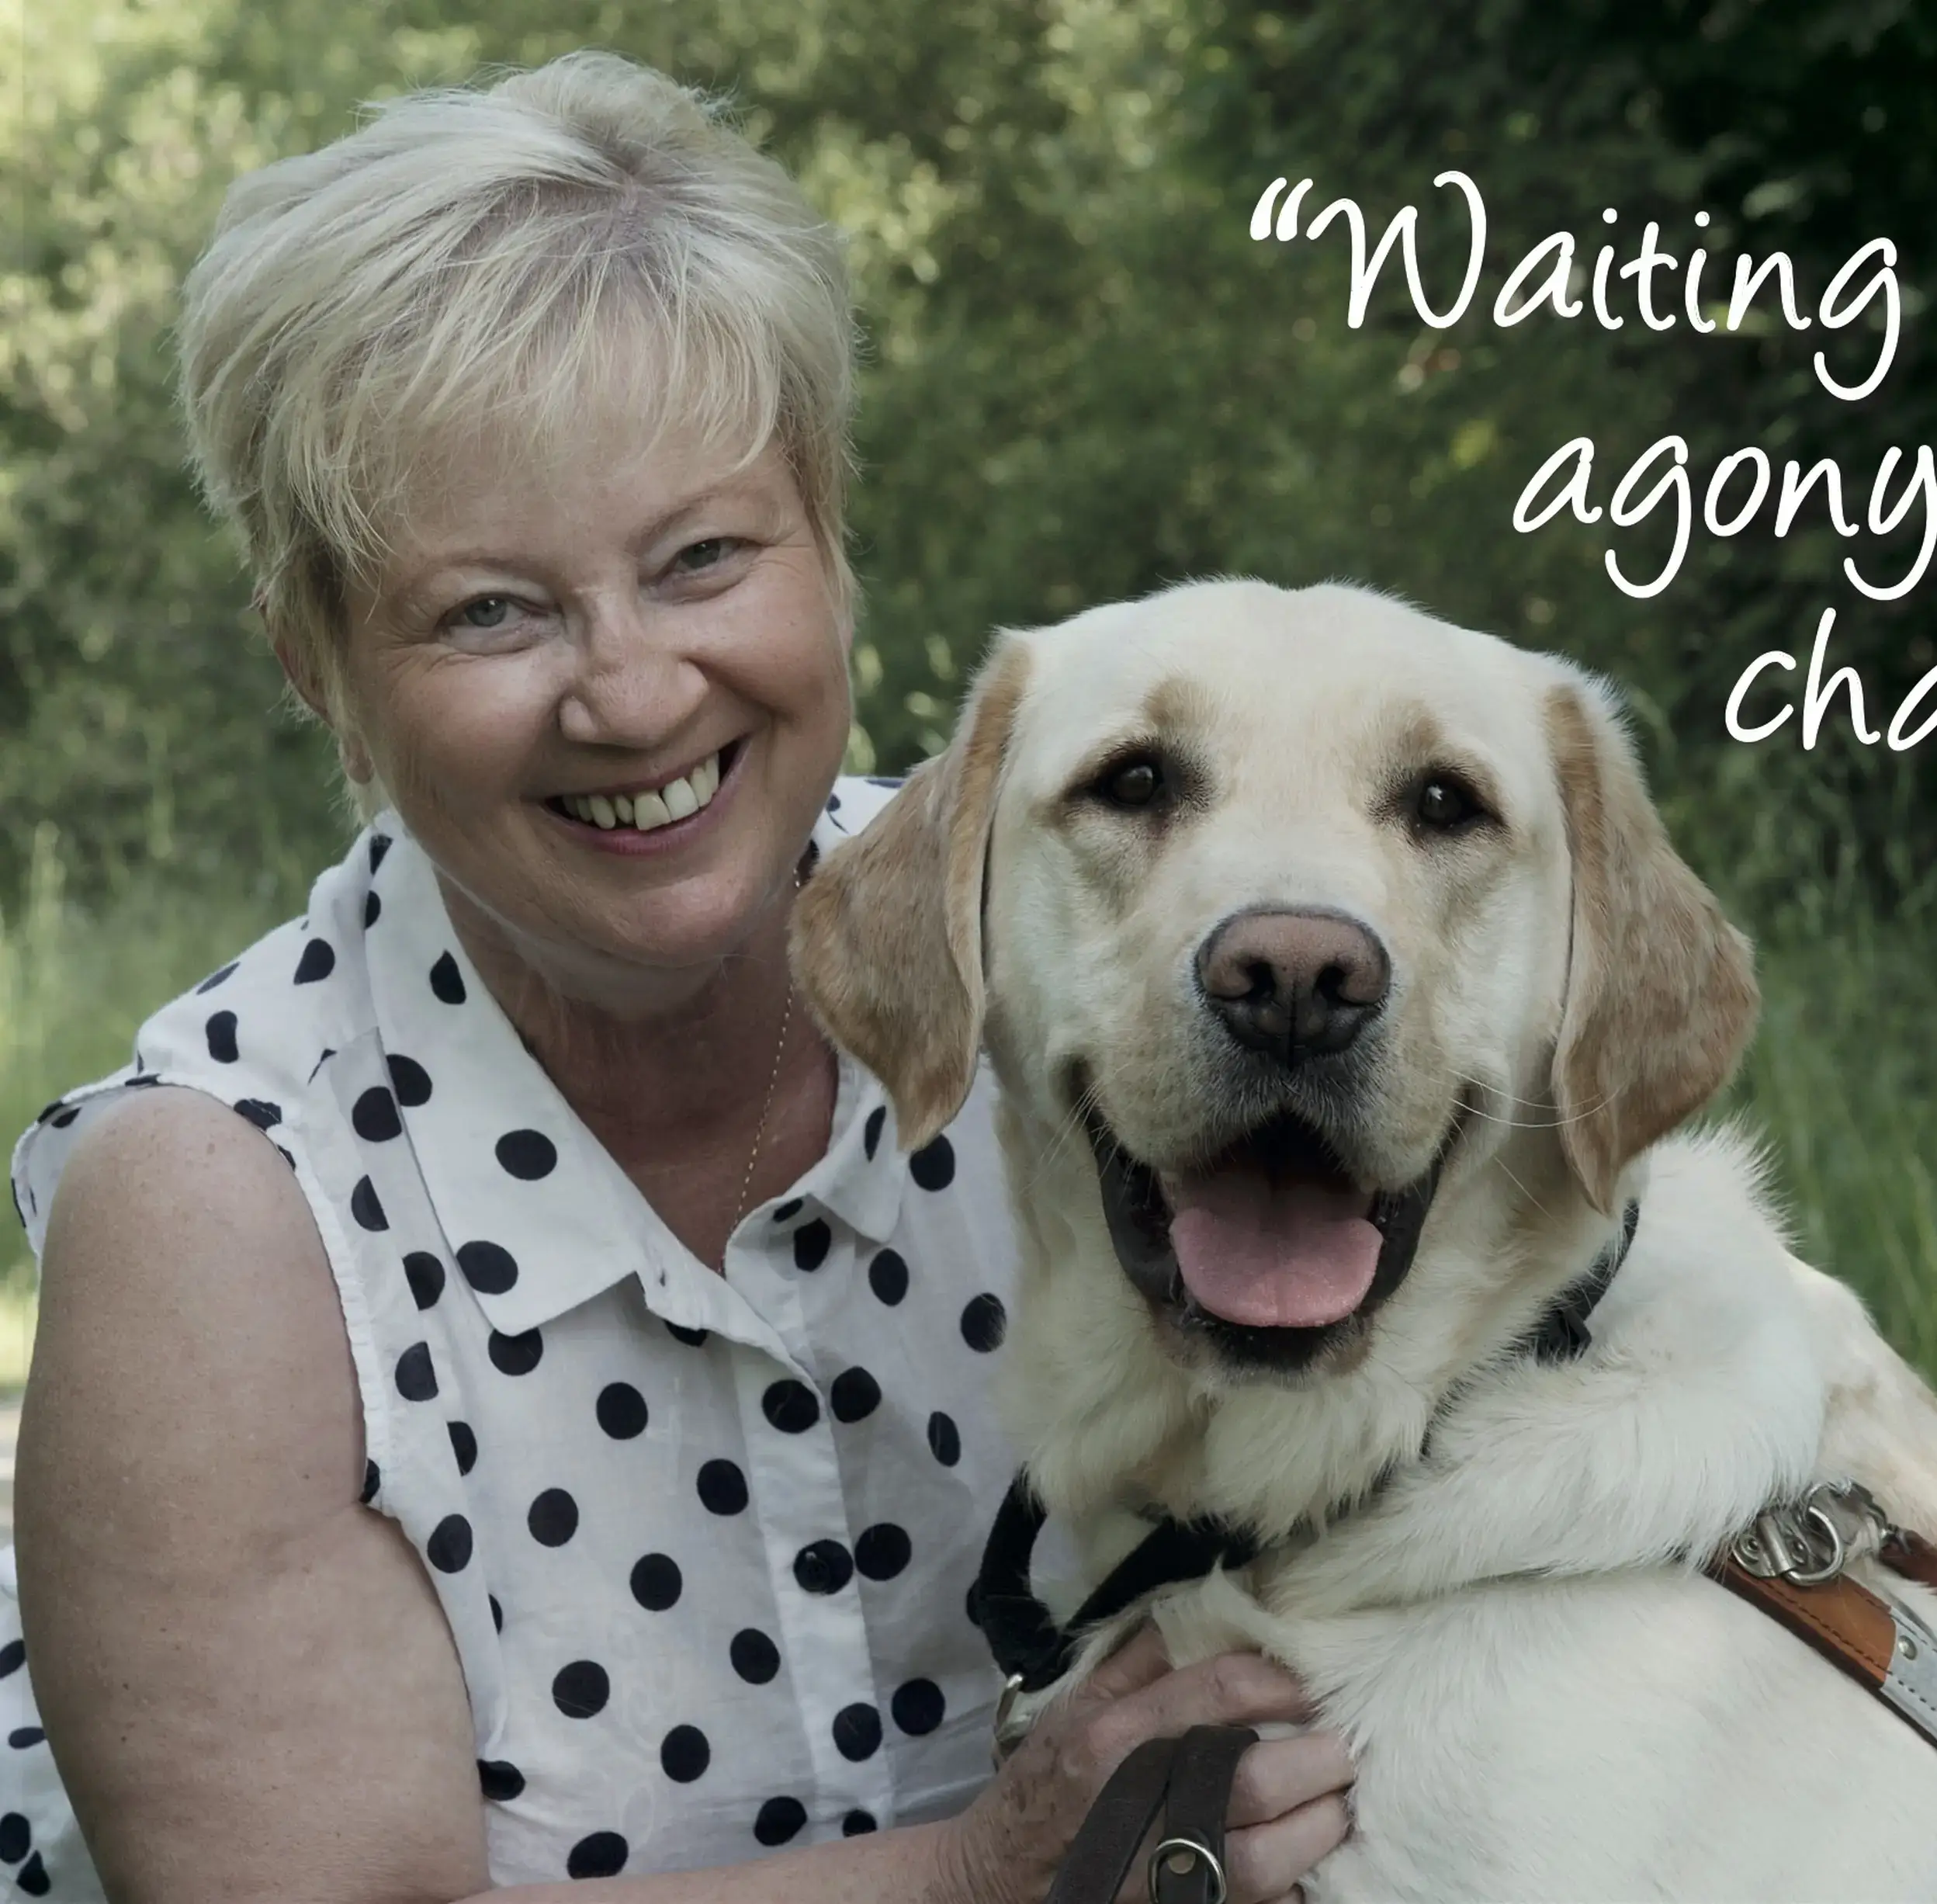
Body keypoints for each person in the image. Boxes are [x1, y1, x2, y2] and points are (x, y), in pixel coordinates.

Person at [0, 50, 1353, 1902]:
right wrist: (992, 1874)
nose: (631, 693)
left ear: (834, 546)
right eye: (493, 609)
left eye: (703, 558)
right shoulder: (225, 1208)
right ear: (317, 661)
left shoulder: (1082, 945)